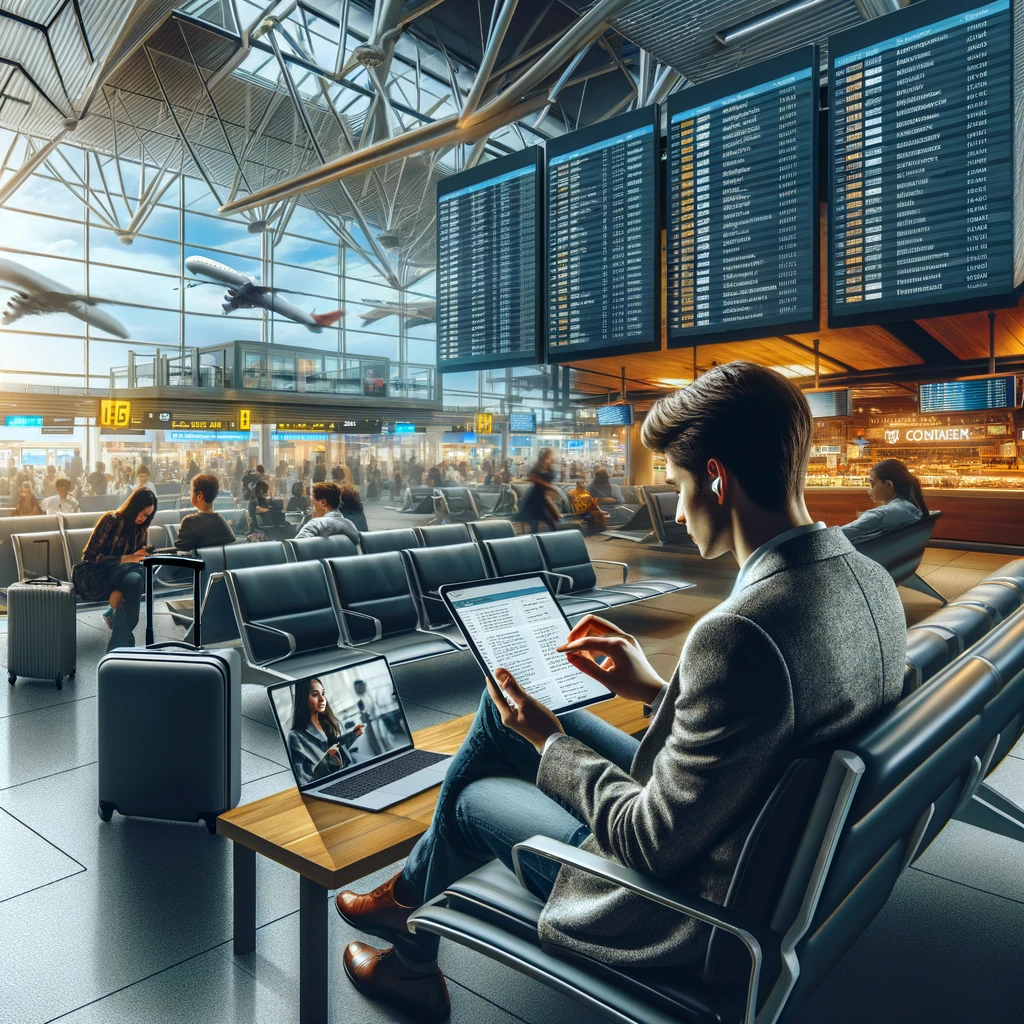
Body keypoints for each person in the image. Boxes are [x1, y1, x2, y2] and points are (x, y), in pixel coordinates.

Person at [335, 361, 908, 1022]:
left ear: (717, 479)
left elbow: (648, 842)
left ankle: (411, 947)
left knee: (472, 798)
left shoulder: (742, 632)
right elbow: (770, 723)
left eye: (677, 484)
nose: (676, 506)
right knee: (500, 719)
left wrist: (549, 742)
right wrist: (655, 688)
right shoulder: (867, 580)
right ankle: (407, 897)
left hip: (668, 907)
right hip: (749, 850)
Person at [73, 488, 157, 652]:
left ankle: (116, 648)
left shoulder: (141, 529)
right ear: (133, 506)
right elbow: (89, 556)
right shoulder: (111, 520)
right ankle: (119, 639)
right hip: (97, 576)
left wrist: (138, 556)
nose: (142, 518)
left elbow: (133, 561)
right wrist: (127, 558)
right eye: (141, 513)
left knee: (135, 579)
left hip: (124, 576)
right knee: (138, 578)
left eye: (147, 516)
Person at [286, 678, 355, 785]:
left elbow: (346, 757)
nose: (322, 699)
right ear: (303, 698)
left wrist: (353, 735)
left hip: (350, 777)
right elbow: (303, 778)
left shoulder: (334, 723)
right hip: (327, 785)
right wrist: (328, 757)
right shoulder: (295, 736)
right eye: (315, 694)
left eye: (323, 693)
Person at [841, 458, 927, 544]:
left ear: (888, 485)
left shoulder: (881, 515)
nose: (869, 490)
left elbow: (835, 537)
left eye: (872, 484)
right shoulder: (909, 507)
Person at [176, 474, 235, 551]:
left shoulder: (189, 522)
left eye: (191, 490)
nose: (189, 492)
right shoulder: (222, 521)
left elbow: (181, 554)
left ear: (199, 496)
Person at [294, 482, 360, 543]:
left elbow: (296, 547)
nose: (311, 509)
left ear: (323, 503)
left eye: (313, 503)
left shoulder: (315, 524)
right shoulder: (350, 525)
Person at [519, 447, 560, 533]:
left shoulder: (549, 467)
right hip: (535, 497)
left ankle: (550, 539)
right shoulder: (538, 468)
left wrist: (551, 488)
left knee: (549, 521)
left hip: (543, 497)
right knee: (538, 522)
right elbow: (533, 477)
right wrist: (551, 487)